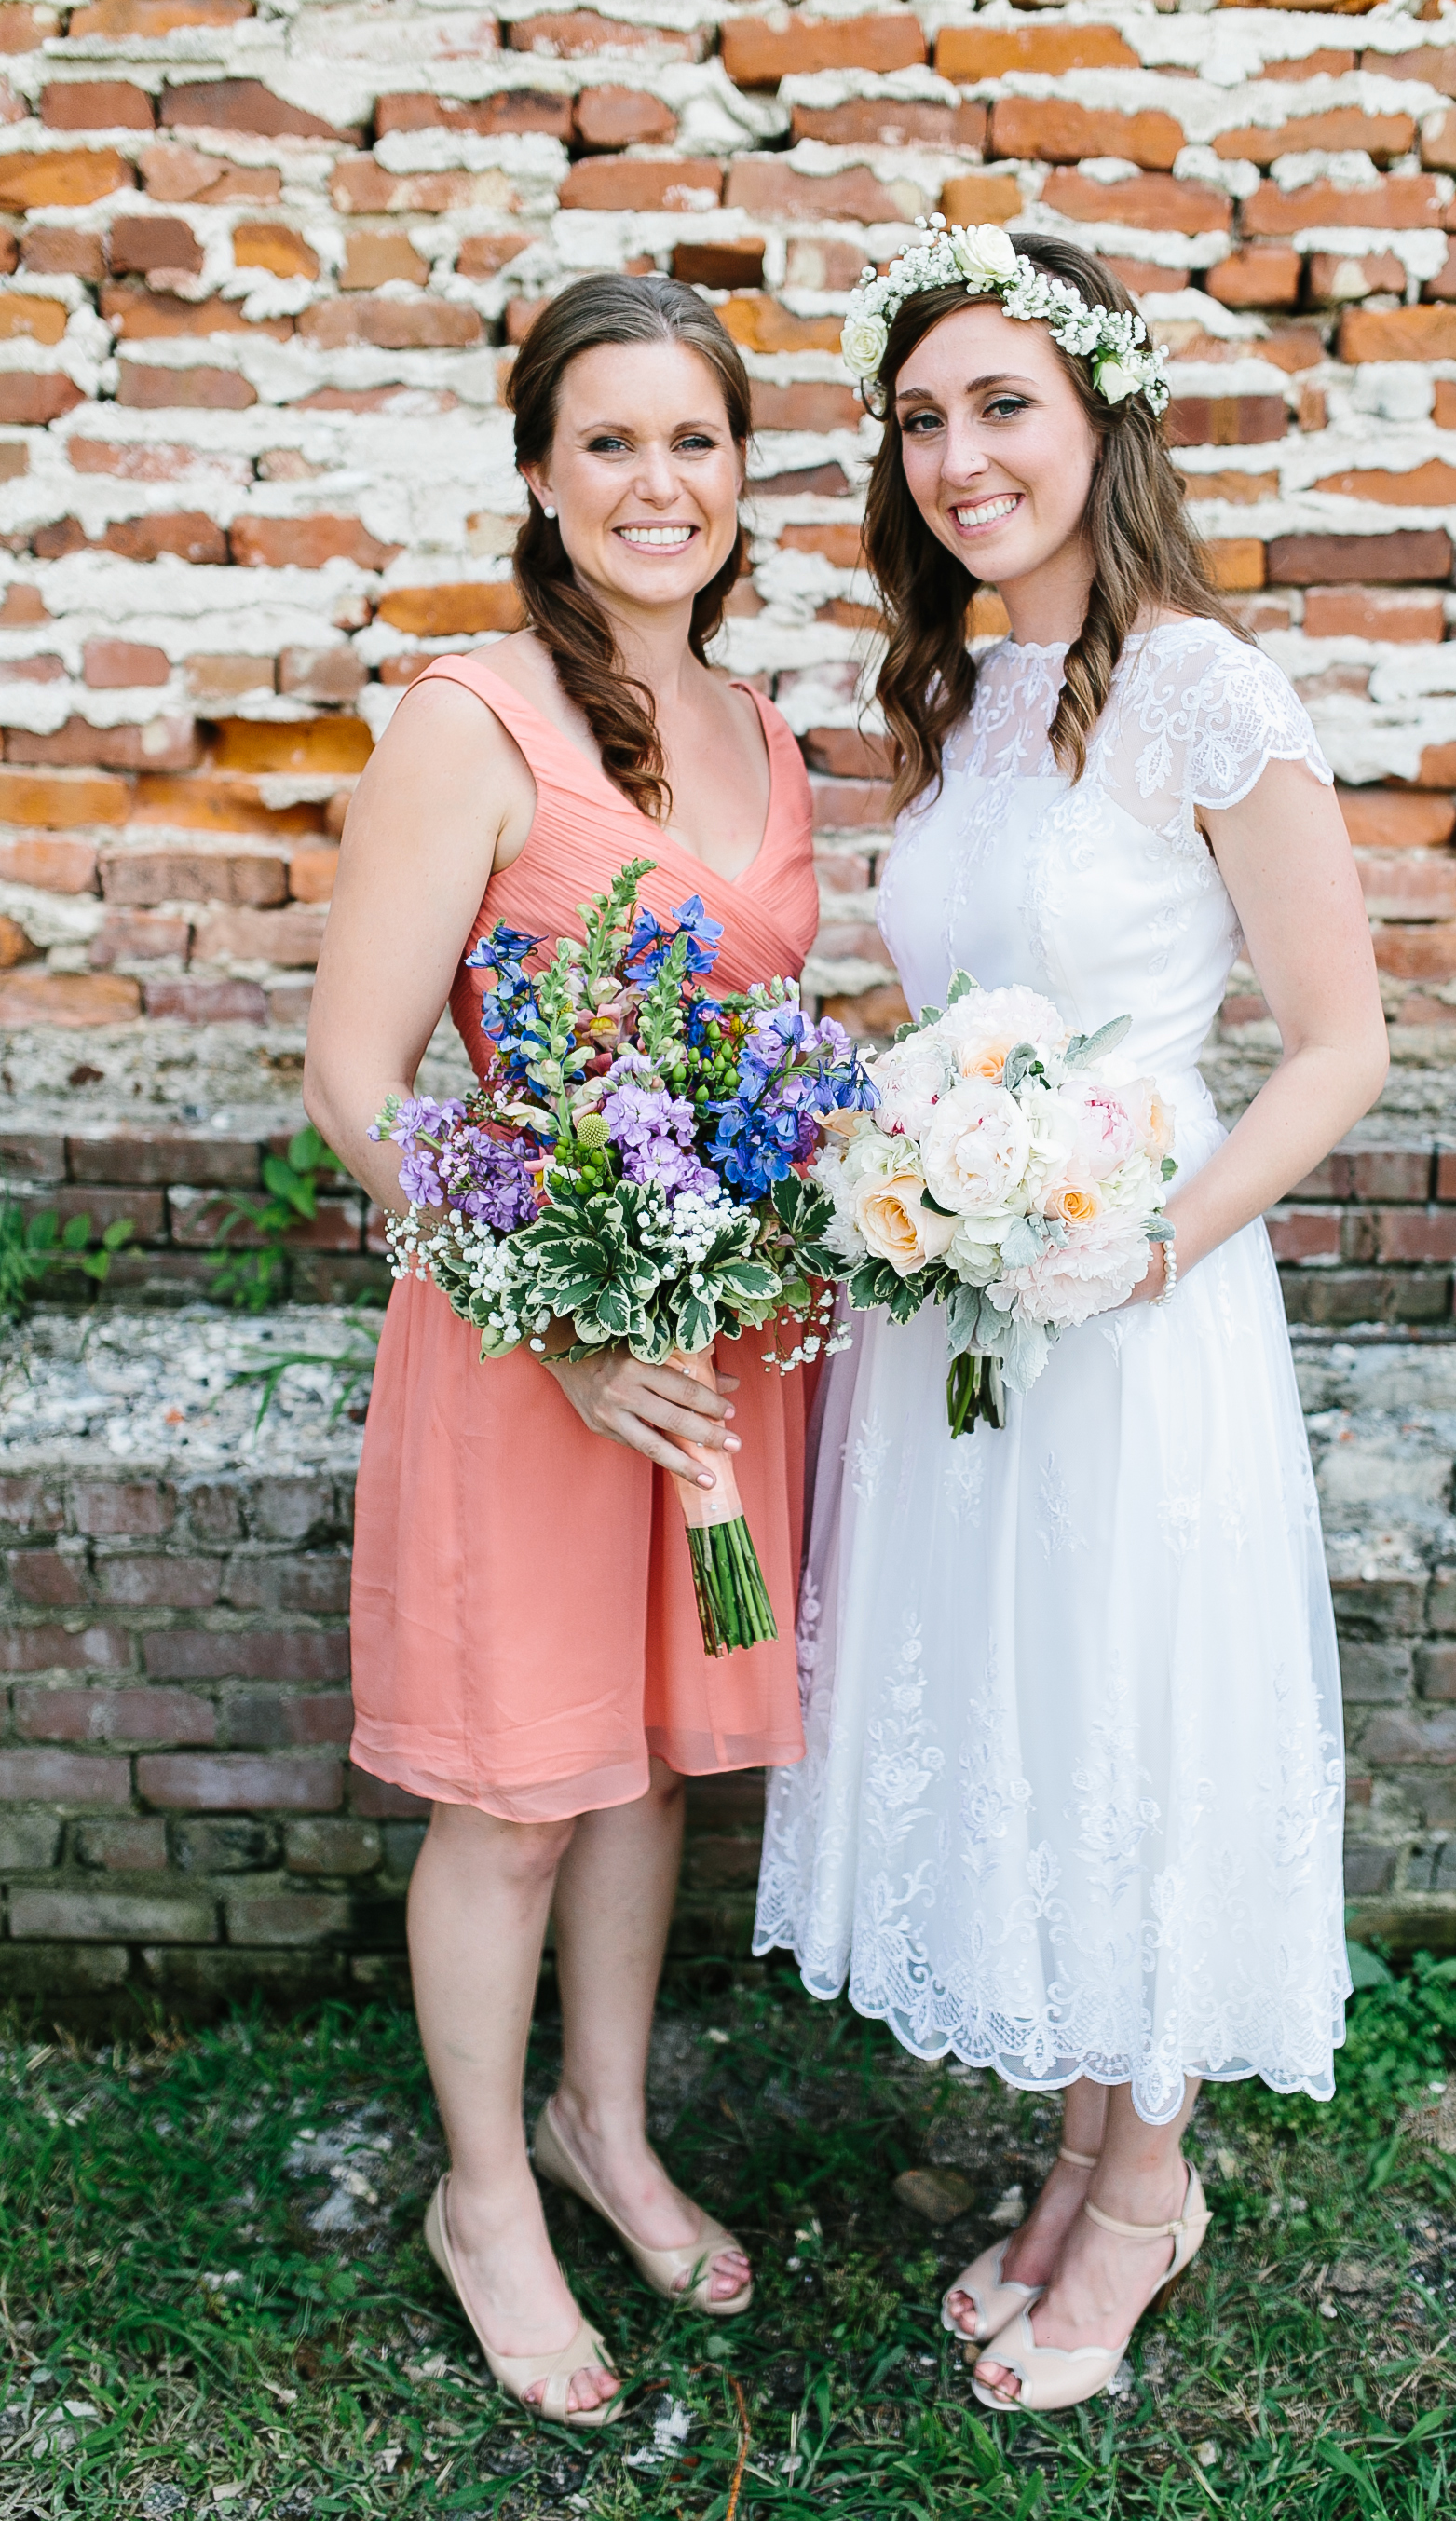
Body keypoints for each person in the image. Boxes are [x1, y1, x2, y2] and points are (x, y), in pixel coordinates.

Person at [753, 230, 1388, 2414]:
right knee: (1031, 1706)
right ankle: (1080, 2152)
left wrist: (1149, 1243)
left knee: (1133, 1709)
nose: (957, 456)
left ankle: (1145, 2198)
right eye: (921, 418)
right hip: (963, 1307)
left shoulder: (1207, 686)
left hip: (1138, 1300)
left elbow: (1338, 1041)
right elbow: (962, 1000)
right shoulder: (963, 694)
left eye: (1002, 403)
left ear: (1103, 415)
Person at [306, 275, 818, 2427]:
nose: (655, 483)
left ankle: (612, 2127)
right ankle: (487, 2191)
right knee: (518, 1794)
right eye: (607, 442)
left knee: (655, 1768)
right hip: (537, 1355)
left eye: (691, 441)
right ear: (539, 473)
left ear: (736, 472)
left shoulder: (764, 727)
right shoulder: (470, 717)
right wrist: (566, 1324)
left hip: (714, 1360)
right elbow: (352, 1077)